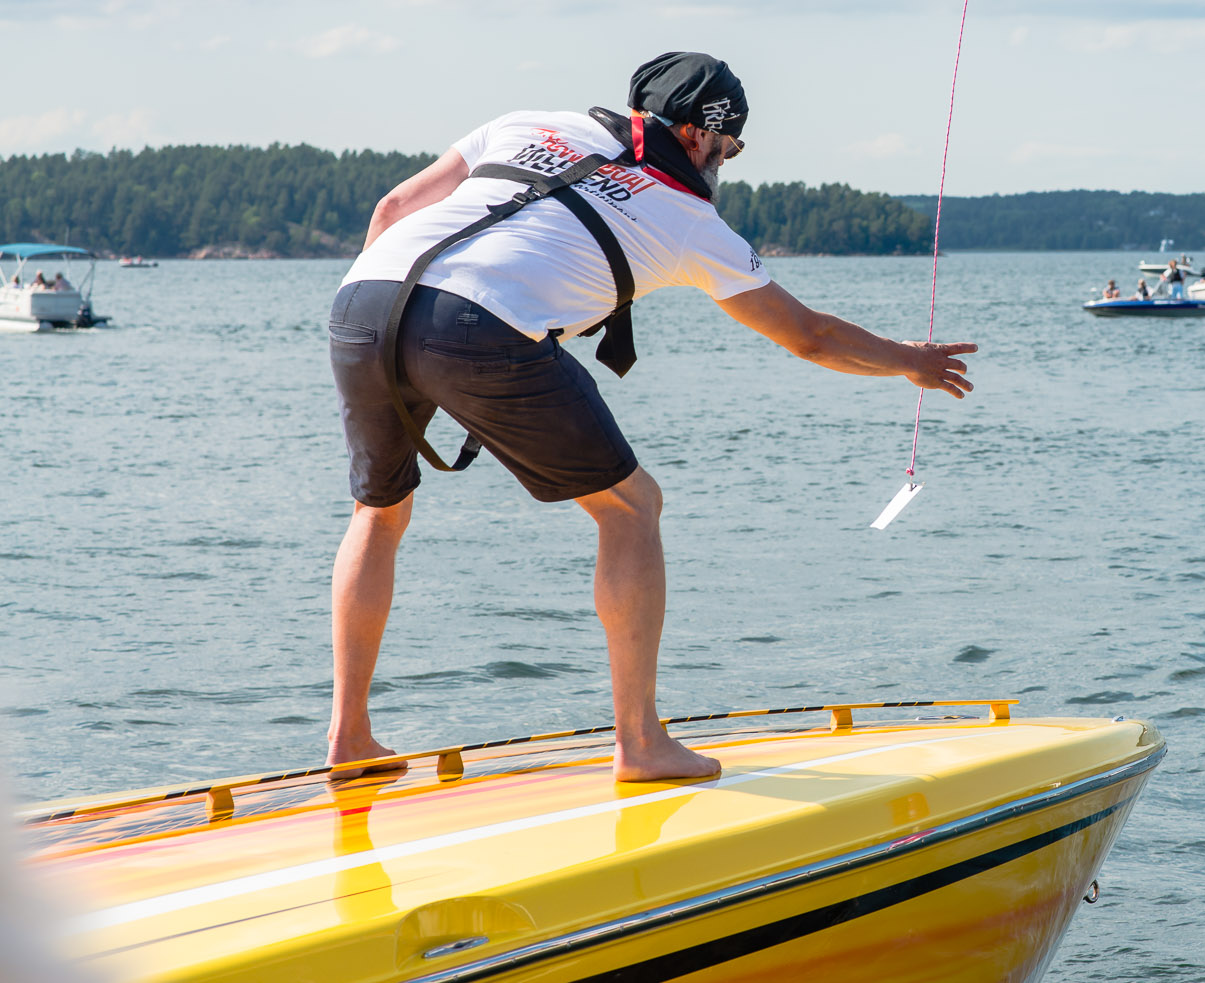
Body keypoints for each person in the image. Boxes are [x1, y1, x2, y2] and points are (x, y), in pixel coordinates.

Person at [324, 52, 977, 783]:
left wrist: (398, 325)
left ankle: (349, 738)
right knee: (633, 507)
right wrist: (910, 361)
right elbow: (808, 336)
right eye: (728, 152)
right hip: (479, 323)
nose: (723, 169)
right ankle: (639, 742)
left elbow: (389, 213)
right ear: (699, 137)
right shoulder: (689, 219)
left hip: (363, 297)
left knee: (377, 512)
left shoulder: (532, 121)